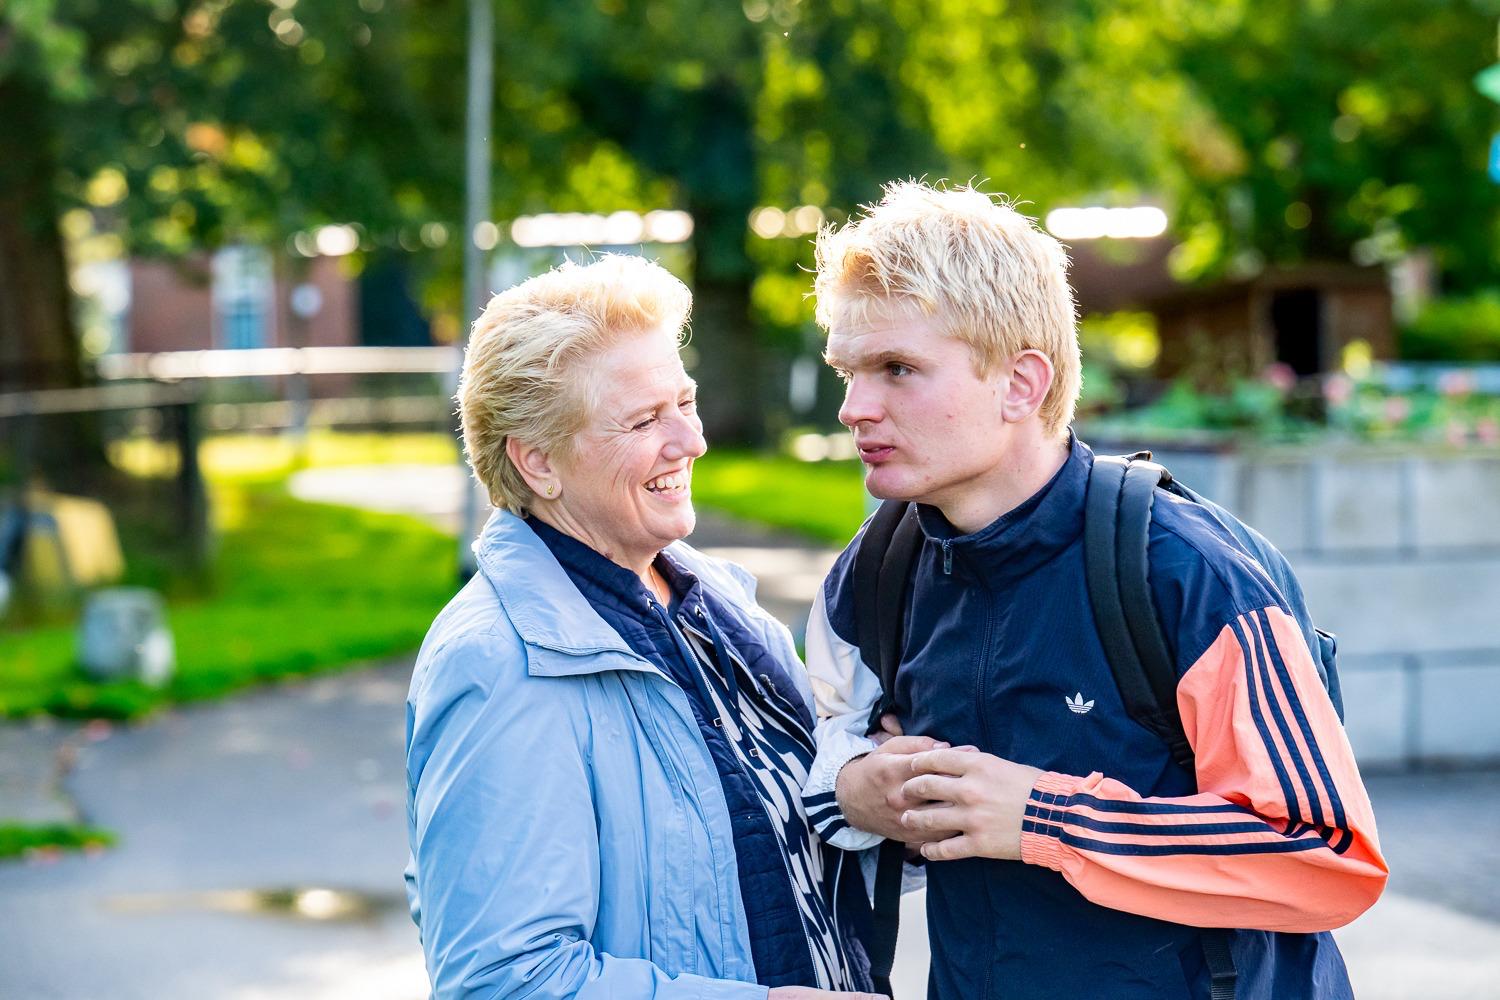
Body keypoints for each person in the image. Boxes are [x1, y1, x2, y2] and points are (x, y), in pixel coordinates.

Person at [799, 182, 1389, 999]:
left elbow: (1328, 859)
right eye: (848, 371)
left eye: (897, 369)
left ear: (1021, 383)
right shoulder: (873, 573)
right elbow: (826, 765)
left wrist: (1048, 821)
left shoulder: (1185, 572)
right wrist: (859, 792)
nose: (854, 407)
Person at [403, 254, 884, 1000]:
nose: (689, 441)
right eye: (643, 420)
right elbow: (500, 981)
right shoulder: (497, 663)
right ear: (538, 463)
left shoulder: (719, 603)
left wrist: (871, 797)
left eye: (684, 403)